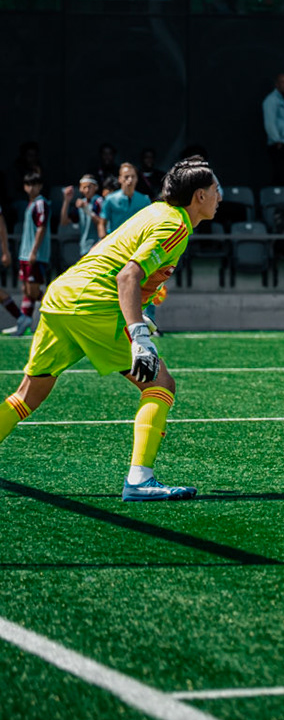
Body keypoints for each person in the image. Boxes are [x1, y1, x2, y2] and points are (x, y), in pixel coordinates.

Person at [0, 158, 222, 501]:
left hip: (62, 297)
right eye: (215, 189)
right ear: (199, 196)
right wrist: (140, 336)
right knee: (161, 384)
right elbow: (127, 276)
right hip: (92, 305)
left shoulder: (157, 212)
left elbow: (125, 267)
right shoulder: (175, 225)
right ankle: (139, 480)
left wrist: (147, 296)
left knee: (28, 395)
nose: (220, 195)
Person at [11, 171, 52, 336]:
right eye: (29, 185)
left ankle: (54, 309)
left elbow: (41, 228)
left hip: (35, 254)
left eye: (35, 184)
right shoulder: (31, 204)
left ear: (40, 186)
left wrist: (34, 251)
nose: (31, 188)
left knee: (34, 290)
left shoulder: (41, 204)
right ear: (25, 187)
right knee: (27, 290)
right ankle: (24, 321)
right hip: (25, 253)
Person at [62, 174, 108, 254]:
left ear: (96, 187)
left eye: (89, 187)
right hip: (84, 249)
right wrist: (66, 201)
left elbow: (101, 223)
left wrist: (87, 210)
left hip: (98, 248)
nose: (87, 190)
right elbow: (64, 221)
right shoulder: (80, 204)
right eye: (84, 187)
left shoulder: (99, 202)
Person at [102, 162, 152, 235]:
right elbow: (102, 222)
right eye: (126, 177)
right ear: (120, 179)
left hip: (136, 241)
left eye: (133, 176)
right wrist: (104, 240)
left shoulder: (145, 200)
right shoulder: (110, 199)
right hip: (116, 241)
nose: (130, 180)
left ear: (137, 179)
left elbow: (149, 222)